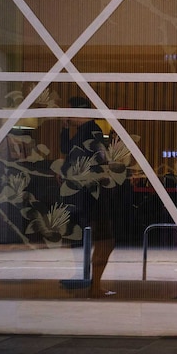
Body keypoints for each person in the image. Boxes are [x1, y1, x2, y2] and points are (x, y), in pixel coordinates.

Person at [59, 96, 115, 298]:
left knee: (104, 239)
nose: (66, 115)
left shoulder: (91, 131)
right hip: (87, 193)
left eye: (68, 111)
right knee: (102, 239)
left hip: (90, 192)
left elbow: (99, 159)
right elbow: (67, 151)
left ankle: (95, 284)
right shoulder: (82, 133)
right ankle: (94, 284)